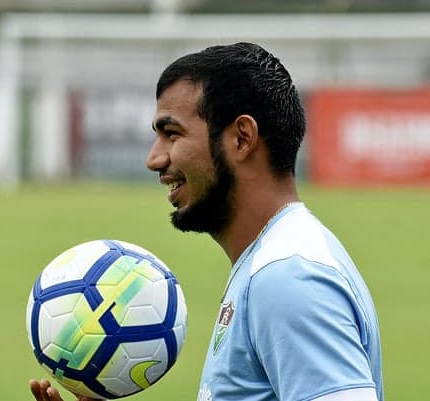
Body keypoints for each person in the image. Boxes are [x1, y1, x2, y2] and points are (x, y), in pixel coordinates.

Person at [30, 42, 383, 401]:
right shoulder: (271, 261)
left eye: (172, 133)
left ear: (242, 138)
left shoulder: (287, 278)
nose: (154, 159)